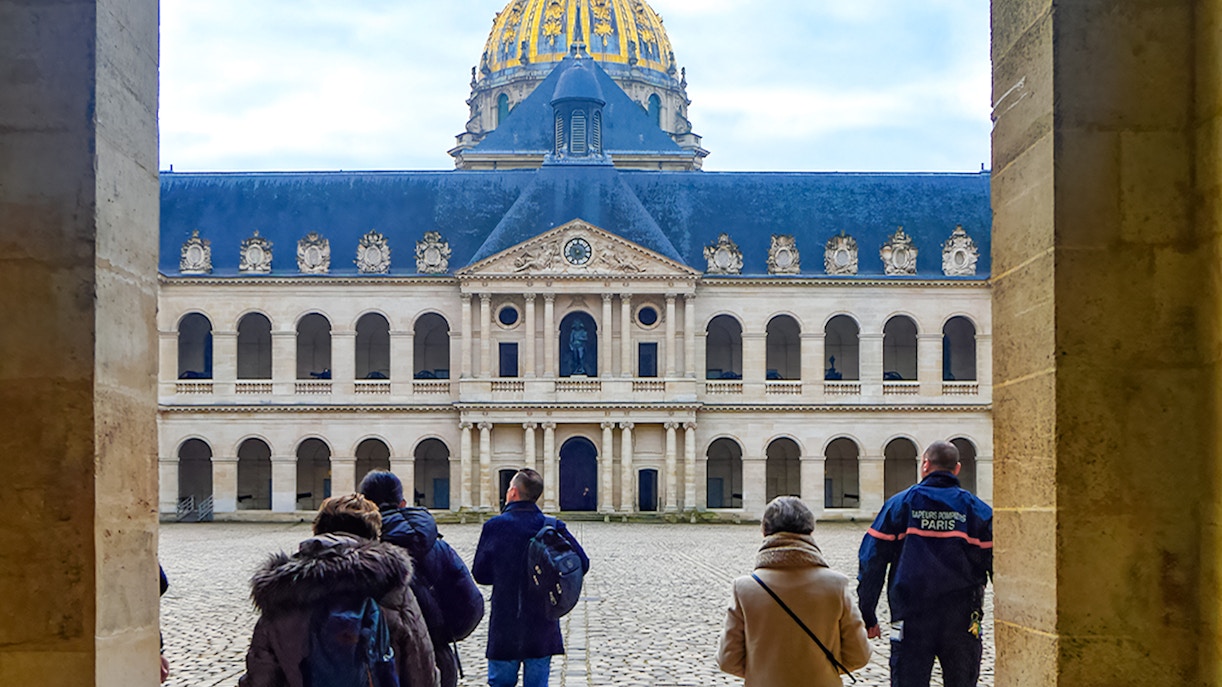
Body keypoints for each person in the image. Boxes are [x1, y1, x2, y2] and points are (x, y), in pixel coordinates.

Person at [238, 494, 439, 687]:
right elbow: (422, 673)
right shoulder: (392, 590)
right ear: (373, 535)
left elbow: (260, 676)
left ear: (317, 531)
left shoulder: (283, 590)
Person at [858, 440, 993, 687]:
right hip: (963, 617)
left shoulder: (899, 505)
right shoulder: (978, 511)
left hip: (910, 616)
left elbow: (871, 561)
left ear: (925, 465)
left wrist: (868, 613)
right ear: (957, 468)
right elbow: (999, 567)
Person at [716, 496, 871, 686]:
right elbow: (859, 655)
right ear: (810, 531)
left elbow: (728, 660)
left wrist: (763, 672)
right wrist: (820, 669)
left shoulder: (745, 588)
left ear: (764, 531)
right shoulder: (836, 585)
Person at [359, 469, 485, 687]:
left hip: (376, 665)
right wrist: (442, 634)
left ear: (365, 505)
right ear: (403, 502)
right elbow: (471, 602)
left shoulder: (360, 552)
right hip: (436, 657)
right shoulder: (439, 546)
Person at [472, 468, 589, 687]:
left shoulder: (494, 527)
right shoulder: (552, 526)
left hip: (505, 623)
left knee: (500, 684)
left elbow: (480, 573)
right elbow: (582, 562)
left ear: (513, 493)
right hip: (542, 623)